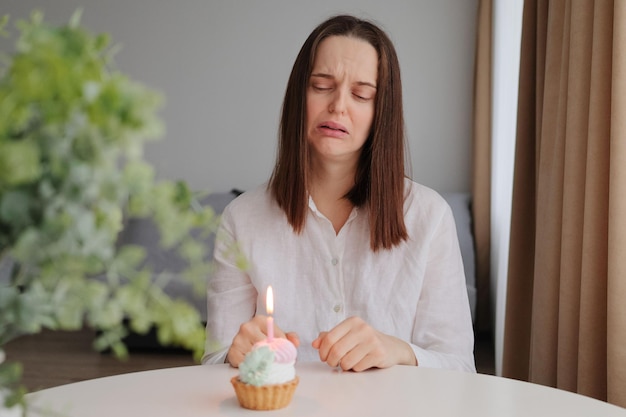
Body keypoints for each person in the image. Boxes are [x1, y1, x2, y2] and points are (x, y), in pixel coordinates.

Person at [202, 14, 476, 373]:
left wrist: (396, 350)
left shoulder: (428, 216)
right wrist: (232, 354)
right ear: (299, 96)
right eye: (321, 86)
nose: (338, 106)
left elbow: (459, 367)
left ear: (382, 112)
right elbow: (213, 364)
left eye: (362, 94)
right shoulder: (242, 218)